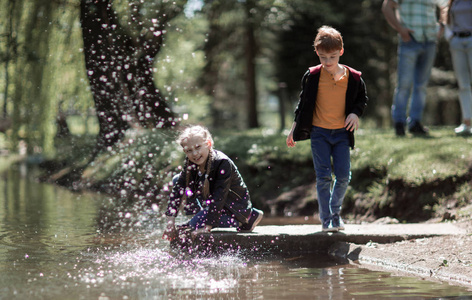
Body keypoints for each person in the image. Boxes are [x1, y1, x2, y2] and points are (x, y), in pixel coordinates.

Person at [286, 26, 368, 232]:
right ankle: (326, 220)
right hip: (319, 133)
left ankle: (336, 214)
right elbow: (302, 105)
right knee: (323, 177)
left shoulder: (354, 77)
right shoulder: (312, 76)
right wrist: (293, 130)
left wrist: (355, 113)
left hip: (341, 134)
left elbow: (362, 99)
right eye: (323, 57)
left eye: (332, 56)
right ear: (317, 53)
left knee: (343, 176)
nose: (328, 62)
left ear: (341, 52)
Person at [162, 125, 263, 241]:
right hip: (215, 206)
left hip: (232, 209)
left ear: (208, 144)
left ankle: (247, 218)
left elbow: (219, 197)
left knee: (194, 225)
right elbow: (177, 190)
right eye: (189, 151)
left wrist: (207, 227)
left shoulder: (222, 163)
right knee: (177, 179)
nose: (194, 154)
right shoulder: (191, 163)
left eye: (198, 147)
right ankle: (198, 216)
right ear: (185, 151)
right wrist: (170, 222)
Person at [382, 0, 448, 136]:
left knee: (421, 86)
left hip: (430, 41)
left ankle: (415, 123)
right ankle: (399, 123)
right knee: (404, 85)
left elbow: (445, 6)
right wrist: (400, 29)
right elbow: (387, 7)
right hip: (409, 41)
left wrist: (441, 25)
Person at [446, 0, 472, 135]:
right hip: (457, 42)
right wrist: (449, 36)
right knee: (463, 84)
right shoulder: (453, 1)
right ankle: (467, 123)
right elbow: (446, 18)